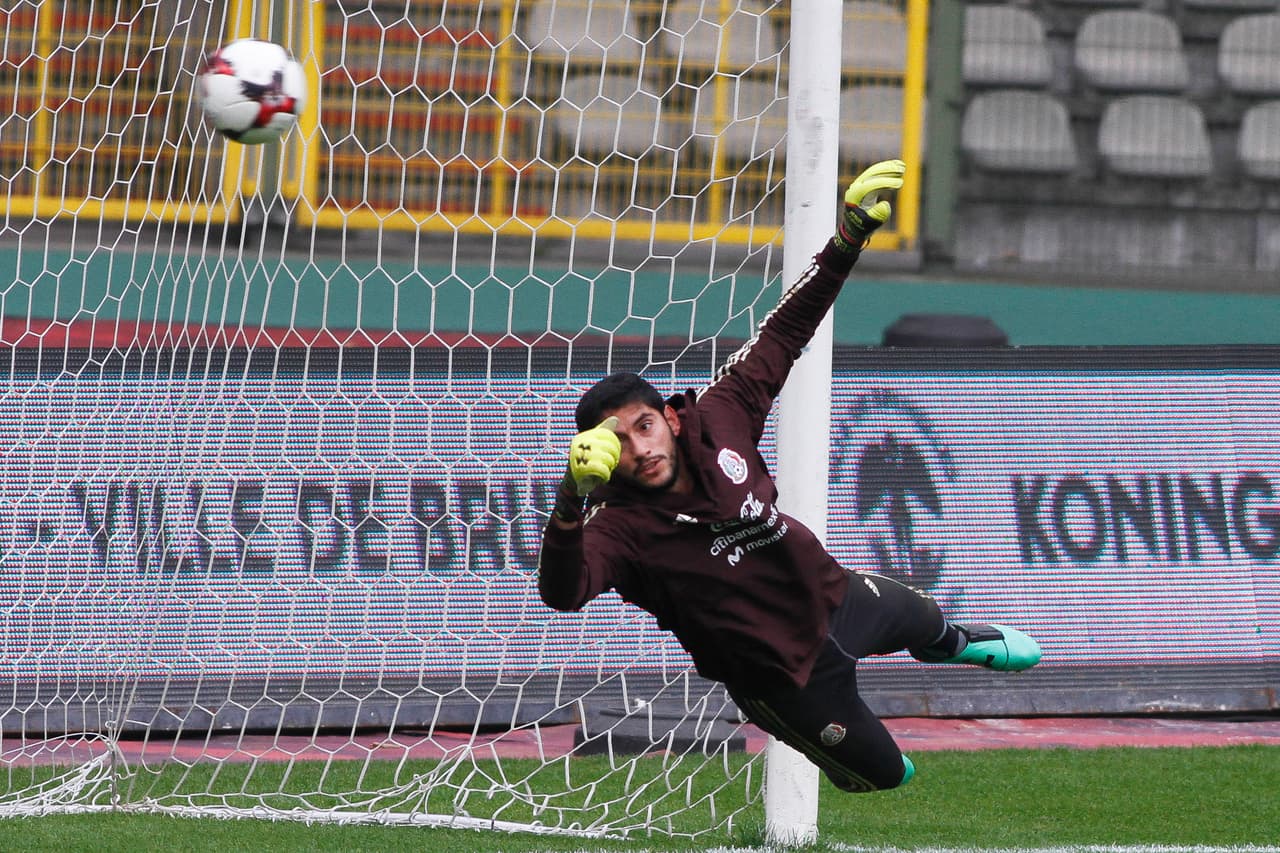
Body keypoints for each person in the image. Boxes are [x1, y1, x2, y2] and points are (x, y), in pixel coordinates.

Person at [537, 159, 1040, 792]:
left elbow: (786, 330)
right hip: (782, 678)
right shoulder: (617, 527)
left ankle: (958, 642)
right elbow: (563, 593)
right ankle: (854, 761)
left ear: (670, 417)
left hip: (836, 598)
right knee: (884, 776)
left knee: (931, 622)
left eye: (644, 425)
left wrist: (848, 239)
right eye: (617, 441)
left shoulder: (720, 415)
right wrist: (570, 498)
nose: (639, 448)